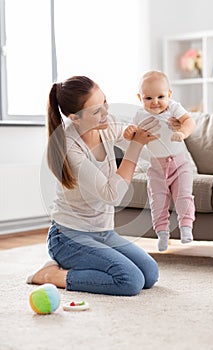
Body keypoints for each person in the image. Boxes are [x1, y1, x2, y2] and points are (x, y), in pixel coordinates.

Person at [26, 75, 160, 296]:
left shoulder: (104, 126)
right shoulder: (71, 149)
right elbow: (112, 195)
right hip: (68, 237)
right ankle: (51, 275)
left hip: (103, 232)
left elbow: (136, 137)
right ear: (74, 118)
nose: (106, 112)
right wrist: (134, 146)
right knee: (130, 280)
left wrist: (143, 132)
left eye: (105, 102)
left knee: (150, 274)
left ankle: (86, 263)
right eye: (97, 111)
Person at [123, 70, 196, 252]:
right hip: (157, 167)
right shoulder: (140, 115)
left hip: (179, 164)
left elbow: (189, 121)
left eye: (160, 96)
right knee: (157, 201)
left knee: (183, 196)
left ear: (169, 95)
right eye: (148, 98)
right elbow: (131, 136)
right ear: (140, 97)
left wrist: (182, 132)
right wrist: (129, 132)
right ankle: (162, 233)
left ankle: (186, 227)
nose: (155, 102)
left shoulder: (173, 108)